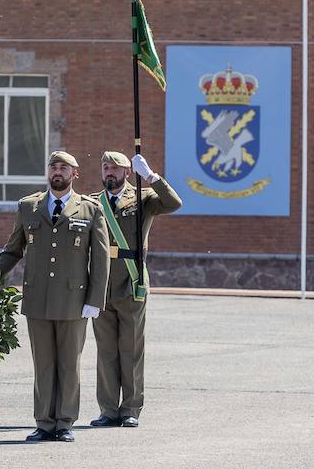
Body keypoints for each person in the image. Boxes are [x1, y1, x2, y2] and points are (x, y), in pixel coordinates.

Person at [0, 151, 109, 443]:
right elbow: (13, 249)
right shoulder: (29, 206)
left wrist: (95, 300)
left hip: (73, 300)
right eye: (54, 167)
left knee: (69, 364)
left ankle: (65, 422)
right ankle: (44, 422)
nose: (58, 172)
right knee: (43, 363)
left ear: (74, 174)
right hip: (38, 299)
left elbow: (102, 259)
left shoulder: (91, 210)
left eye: (64, 168)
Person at [90, 151, 182, 428]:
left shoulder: (142, 198)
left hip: (131, 281)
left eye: (115, 168)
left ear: (127, 172)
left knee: (130, 348)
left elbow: (174, 203)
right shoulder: (94, 202)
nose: (109, 172)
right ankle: (108, 409)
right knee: (106, 350)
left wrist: (152, 177)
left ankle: (130, 409)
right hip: (102, 281)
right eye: (105, 167)